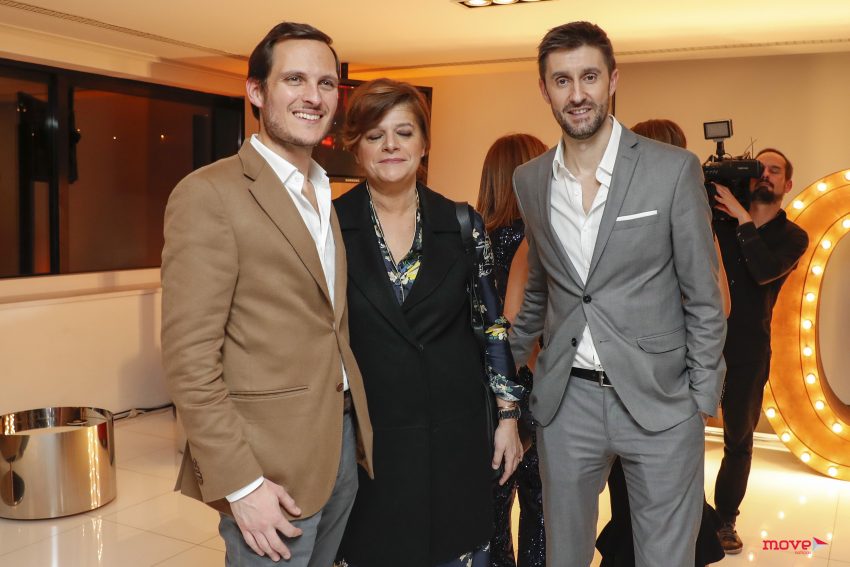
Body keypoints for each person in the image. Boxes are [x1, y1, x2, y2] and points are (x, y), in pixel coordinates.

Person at [509, 22, 727, 567]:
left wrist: (700, 400)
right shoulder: (530, 180)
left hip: (662, 401)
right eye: (562, 80)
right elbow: (539, 291)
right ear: (544, 89)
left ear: (612, 80)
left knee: (665, 557)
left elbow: (704, 297)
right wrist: (500, 377)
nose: (576, 94)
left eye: (589, 76)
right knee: (564, 555)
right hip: (568, 403)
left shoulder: (671, 170)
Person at [161, 22, 373, 567]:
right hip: (267, 466)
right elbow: (189, 360)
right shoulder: (209, 194)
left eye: (326, 83)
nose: (313, 96)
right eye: (294, 79)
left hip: (338, 444)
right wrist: (241, 484)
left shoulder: (323, 192)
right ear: (256, 91)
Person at [333, 78, 525, 567]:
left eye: (404, 133)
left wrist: (507, 417)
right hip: (370, 439)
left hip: (455, 434)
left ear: (424, 144)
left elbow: (493, 326)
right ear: (356, 148)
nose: (390, 146)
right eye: (375, 136)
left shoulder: (462, 224)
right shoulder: (329, 226)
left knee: (453, 549)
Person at [594, 118, 727, 567]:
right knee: (633, 504)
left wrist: (697, 392)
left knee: (663, 510)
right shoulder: (619, 218)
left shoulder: (686, 217)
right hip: (622, 386)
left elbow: (718, 303)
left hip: (667, 388)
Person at [711, 147, 809, 554]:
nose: (765, 174)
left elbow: (764, 271)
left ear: (788, 184)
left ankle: (724, 520)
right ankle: (683, 513)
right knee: (679, 435)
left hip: (748, 351)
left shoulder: (794, 237)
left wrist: (743, 220)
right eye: (758, 168)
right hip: (700, 344)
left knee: (738, 439)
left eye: (774, 170)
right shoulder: (717, 221)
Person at [477, 133, 548, 567]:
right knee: (540, 509)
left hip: (486, 388)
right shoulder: (539, 238)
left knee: (494, 511)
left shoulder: (471, 237)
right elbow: (524, 323)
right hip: (532, 382)